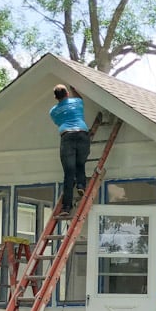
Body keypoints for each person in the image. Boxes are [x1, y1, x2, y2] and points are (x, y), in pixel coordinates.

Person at [50, 84, 90, 215]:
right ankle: (81, 185)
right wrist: (74, 89)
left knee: (69, 173)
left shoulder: (54, 111)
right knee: (80, 163)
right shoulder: (77, 102)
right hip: (82, 133)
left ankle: (66, 207)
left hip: (67, 135)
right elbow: (80, 98)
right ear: (67, 93)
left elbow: (58, 123)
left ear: (56, 97)